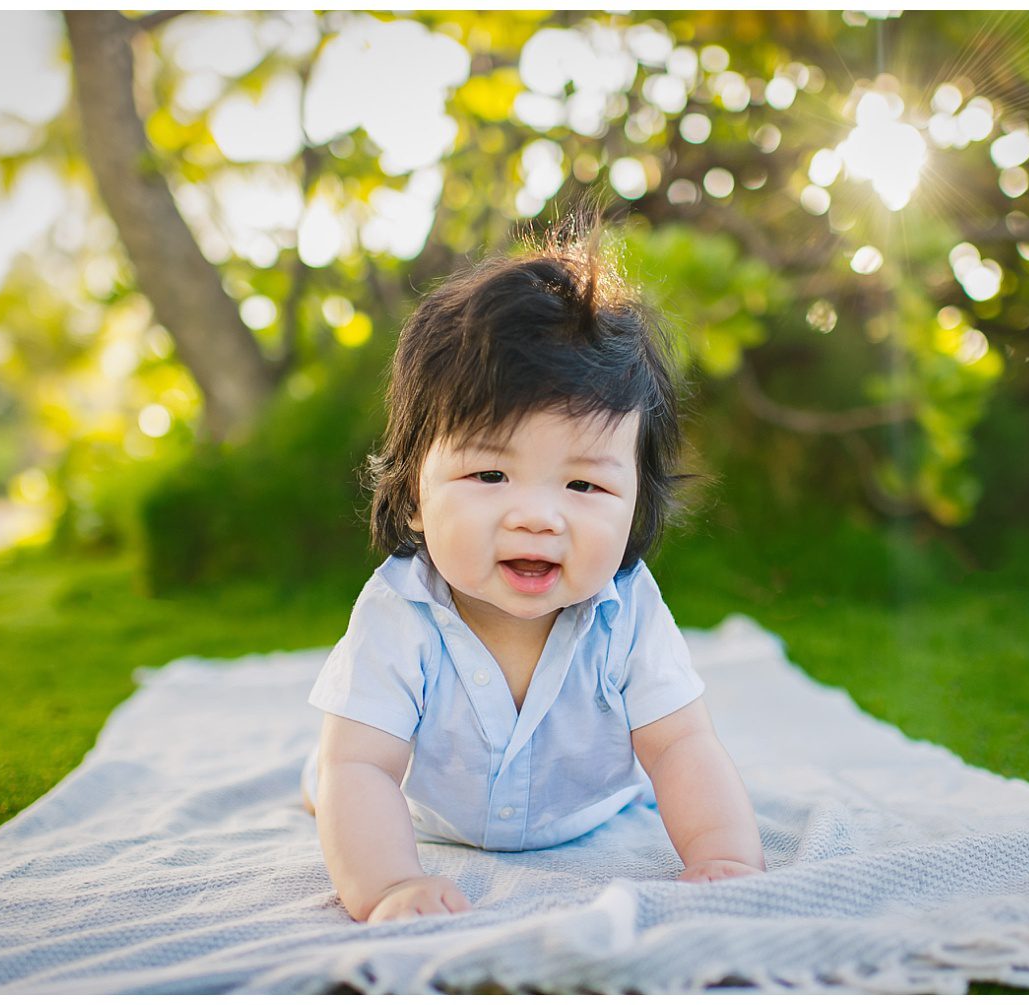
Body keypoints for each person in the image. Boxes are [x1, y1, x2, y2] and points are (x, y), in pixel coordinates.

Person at [302, 224, 765, 923]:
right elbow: (364, 767)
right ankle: (313, 777)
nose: (538, 517)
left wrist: (723, 854)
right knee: (341, 768)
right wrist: (391, 882)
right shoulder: (400, 613)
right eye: (490, 473)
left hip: (588, 808)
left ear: (637, 503)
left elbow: (680, 746)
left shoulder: (627, 612)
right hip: (437, 816)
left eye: (583, 487)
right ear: (415, 494)